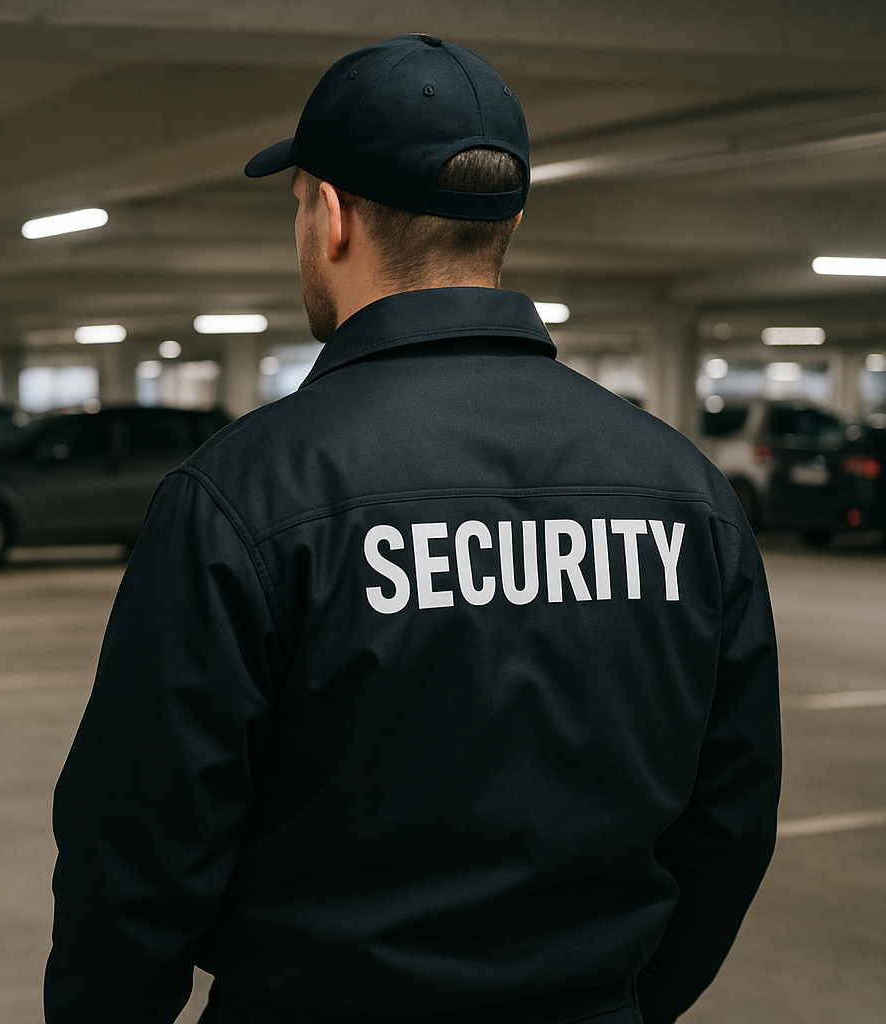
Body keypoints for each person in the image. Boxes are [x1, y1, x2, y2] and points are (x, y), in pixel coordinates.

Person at [46, 35, 780, 1024]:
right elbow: (728, 821)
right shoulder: (685, 490)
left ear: (334, 216)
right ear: (507, 218)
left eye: (301, 201)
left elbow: (136, 849)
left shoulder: (244, 493)